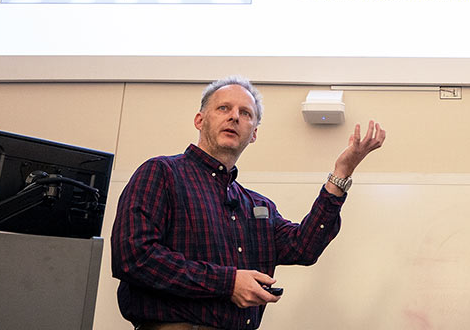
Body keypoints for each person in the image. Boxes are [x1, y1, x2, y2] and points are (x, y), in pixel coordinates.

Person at [111, 76, 386, 330]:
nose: (234, 117)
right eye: (223, 109)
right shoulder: (162, 173)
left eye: (246, 114)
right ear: (199, 119)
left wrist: (341, 174)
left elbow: (304, 247)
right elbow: (134, 258)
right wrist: (228, 283)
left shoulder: (257, 205)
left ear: (253, 133)